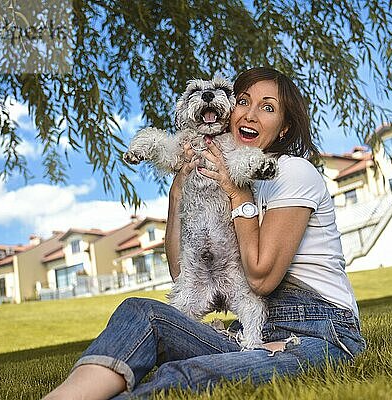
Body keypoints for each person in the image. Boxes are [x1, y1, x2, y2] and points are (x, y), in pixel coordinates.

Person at [43, 67, 365, 400]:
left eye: (267, 108)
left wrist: (236, 192)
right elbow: (181, 272)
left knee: (190, 376)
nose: (251, 115)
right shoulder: (225, 165)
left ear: (284, 128)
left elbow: (261, 280)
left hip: (318, 334)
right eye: (243, 102)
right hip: (251, 332)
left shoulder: (290, 171)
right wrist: (178, 189)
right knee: (140, 311)